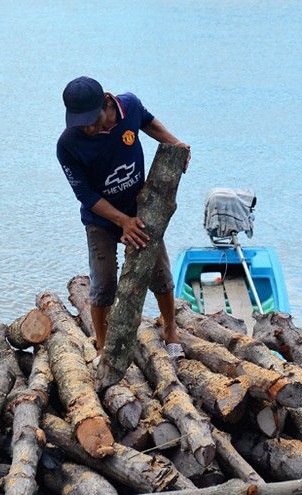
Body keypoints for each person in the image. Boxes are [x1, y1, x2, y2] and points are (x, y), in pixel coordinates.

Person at [56, 76, 190, 358]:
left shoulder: (129, 106)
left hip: (140, 211)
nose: (90, 128)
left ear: (107, 101)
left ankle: (170, 328)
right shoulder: (68, 145)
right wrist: (121, 222)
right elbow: (86, 196)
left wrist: (175, 144)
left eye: (94, 119)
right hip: (101, 220)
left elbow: (148, 121)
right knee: (104, 283)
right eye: (82, 123)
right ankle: (103, 346)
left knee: (160, 274)